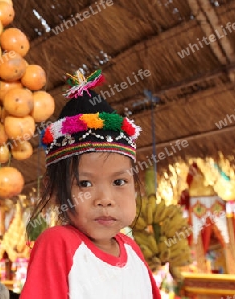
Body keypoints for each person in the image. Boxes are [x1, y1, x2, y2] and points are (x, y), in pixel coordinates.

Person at [20, 70, 161, 298]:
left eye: (119, 181)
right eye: (84, 183)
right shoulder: (58, 243)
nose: (105, 199)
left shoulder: (133, 251)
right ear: (54, 190)